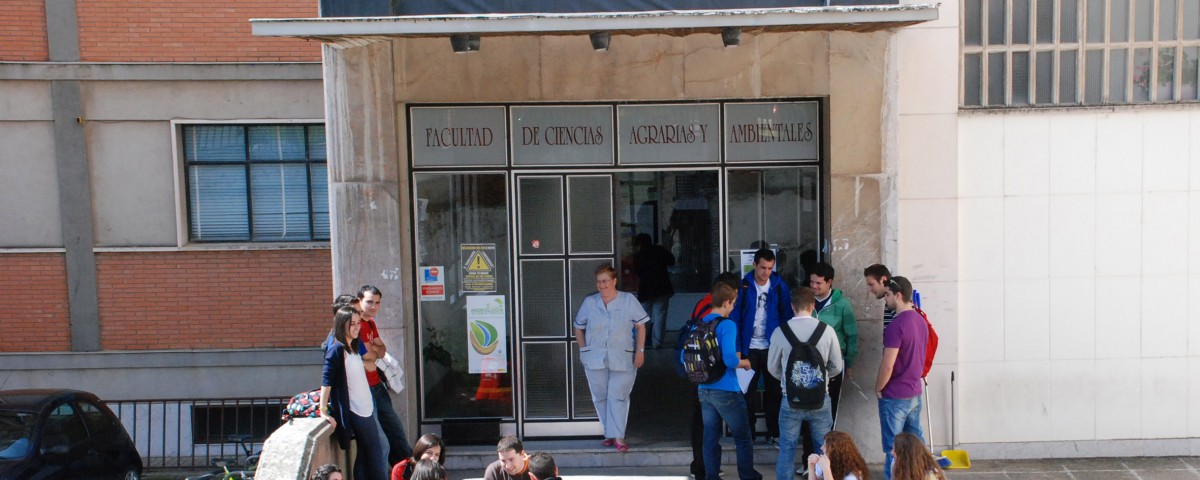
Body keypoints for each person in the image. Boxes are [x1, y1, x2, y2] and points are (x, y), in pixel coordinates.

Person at [768, 287, 843, 480]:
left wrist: (788, 382)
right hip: (820, 399)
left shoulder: (780, 332)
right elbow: (836, 367)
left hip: (790, 400)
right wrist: (822, 379)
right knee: (825, 448)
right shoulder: (827, 331)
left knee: (787, 448)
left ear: (793, 306)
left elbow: (772, 368)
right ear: (812, 306)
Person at [574, 264, 649, 452]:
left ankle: (619, 437)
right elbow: (579, 327)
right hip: (595, 358)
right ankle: (609, 433)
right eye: (599, 282)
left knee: (618, 396)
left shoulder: (628, 300)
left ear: (614, 281)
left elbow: (641, 326)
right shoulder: (590, 302)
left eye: (605, 281)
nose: (602, 285)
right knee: (600, 397)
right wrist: (583, 350)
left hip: (623, 358)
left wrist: (640, 351)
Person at [695, 281, 760, 480]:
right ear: (726, 302)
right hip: (727, 389)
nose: (733, 308)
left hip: (704, 388)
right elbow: (730, 360)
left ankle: (712, 476)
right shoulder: (727, 325)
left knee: (710, 437)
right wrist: (746, 362)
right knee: (743, 438)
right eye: (732, 304)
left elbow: (684, 356)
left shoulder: (700, 322)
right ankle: (748, 476)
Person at [728, 248, 793, 444]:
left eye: (770, 268)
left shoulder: (780, 287)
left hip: (772, 347)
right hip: (750, 349)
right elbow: (735, 318)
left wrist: (784, 346)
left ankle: (774, 432)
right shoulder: (744, 287)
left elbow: (786, 318)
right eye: (763, 267)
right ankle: (749, 433)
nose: (766, 272)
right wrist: (738, 347)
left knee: (775, 392)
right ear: (754, 265)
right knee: (748, 392)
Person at [681, 272, 742, 479]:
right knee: (740, 434)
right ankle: (710, 469)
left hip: (697, 376)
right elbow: (729, 358)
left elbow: (686, 350)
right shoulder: (724, 321)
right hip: (718, 380)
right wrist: (744, 362)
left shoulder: (701, 306)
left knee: (703, 427)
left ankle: (702, 468)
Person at [318, 306, 389, 480]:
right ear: (342, 325)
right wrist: (323, 410)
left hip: (367, 407)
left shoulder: (354, 346)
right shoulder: (337, 349)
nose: (357, 327)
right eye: (352, 324)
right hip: (356, 410)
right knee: (376, 452)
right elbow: (327, 380)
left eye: (358, 323)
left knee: (365, 455)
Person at [875, 277, 928, 480]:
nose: (885, 299)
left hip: (895, 395)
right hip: (914, 392)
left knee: (893, 450)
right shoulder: (920, 320)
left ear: (898, 295)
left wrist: (878, 387)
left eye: (887, 294)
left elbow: (888, 364)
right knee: (916, 446)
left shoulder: (896, 326)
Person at [357, 285, 414, 463]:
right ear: (359, 301)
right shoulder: (356, 324)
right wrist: (374, 349)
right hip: (363, 389)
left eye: (377, 303)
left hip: (376, 386)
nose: (373, 306)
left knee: (395, 431)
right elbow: (368, 356)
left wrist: (374, 349)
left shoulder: (370, 322)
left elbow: (380, 352)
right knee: (380, 443)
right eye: (369, 302)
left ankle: (406, 470)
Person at [809, 262, 858, 425]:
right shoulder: (806, 301)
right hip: (807, 361)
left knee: (831, 405)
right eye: (811, 282)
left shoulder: (842, 304)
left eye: (818, 283)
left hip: (833, 362)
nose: (813, 286)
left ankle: (827, 445)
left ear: (829, 282)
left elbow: (852, 335)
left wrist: (849, 362)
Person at [633, 233, 675, 349]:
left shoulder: (638, 256)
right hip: (662, 288)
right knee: (660, 316)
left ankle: (640, 341)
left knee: (644, 317)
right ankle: (657, 342)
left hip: (646, 290)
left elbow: (638, 273)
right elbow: (671, 261)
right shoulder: (659, 250)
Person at [805, 431, 869, 480]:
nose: (821, 448)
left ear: (836, 451)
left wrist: (826, 469)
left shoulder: (853, 474)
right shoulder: (825, 461)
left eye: (825, 445)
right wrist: (811, 467)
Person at [863, 264, 896, 330]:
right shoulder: (892, 300)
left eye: (871, 284)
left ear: (883, 279)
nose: (870, 290)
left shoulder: (895, 301)